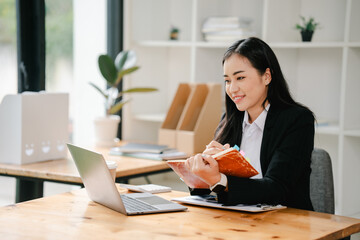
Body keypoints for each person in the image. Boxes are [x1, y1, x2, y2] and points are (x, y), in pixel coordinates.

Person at [185, 37, 315, 211]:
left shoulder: (297, 120)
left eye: (240, 78)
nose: (232, 88)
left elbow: (277, 189)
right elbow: (215, 194)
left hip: (285, 222)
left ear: (267, 76)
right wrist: (199, 175)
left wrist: (219, 179)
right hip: (237, 220)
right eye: (227, 80)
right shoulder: (230, 120)